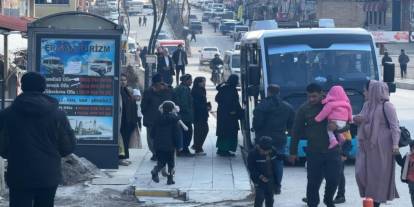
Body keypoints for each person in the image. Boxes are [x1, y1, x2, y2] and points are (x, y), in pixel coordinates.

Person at [0, 72, 76, 207]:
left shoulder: (7, 114)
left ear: (22, 87)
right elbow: (67, 147)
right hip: (48, 174)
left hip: (18, 174)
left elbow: (2, 146)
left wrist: (11, 154)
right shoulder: (58, 114)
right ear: (43, 87)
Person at [289, 83, 342, 207]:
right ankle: (312, 203)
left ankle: (328, 200)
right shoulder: (304, 109)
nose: (311, 99)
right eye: (309, 97)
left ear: (321, 94)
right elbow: (295, 132)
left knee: (334, 179)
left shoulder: (333, 105)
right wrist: (293, 152)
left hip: (333, 151)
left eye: (314, 96)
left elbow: (347, 125)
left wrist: (338, 126)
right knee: (313, 182)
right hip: (314, 152)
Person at [353, 80, 400, 207]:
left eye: (365, 90)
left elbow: (395, 127)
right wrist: (355, 119)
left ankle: (375, 203)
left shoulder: (387, 106)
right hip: (366, 145)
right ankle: (372, 200)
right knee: (361, 173)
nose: (363, 93)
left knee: (378, 176)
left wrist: (395, 144)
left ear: (373, 91)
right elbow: (362, 117)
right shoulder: (367, 105)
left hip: (382, 147)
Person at [252, 84, 295, 194]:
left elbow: (257, 123)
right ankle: (277, 186)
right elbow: (291, 125)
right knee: (278, 162)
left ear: (268, 92)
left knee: (260, 161)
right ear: (279, 92)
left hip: (263, 139)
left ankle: (262, 185)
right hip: (279, 138)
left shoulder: (262, 106)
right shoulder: (287, 106)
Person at [141, 74, 174, 161]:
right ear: (155, 84)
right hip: (151, 119)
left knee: (161, 137)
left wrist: (168, 88)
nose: (161, 85)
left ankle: (160, 153)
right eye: (160, 83)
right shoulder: (148, 92)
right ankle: (155, 153)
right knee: (151, 137)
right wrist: (146, 115)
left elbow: (171, 101)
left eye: (162, 83)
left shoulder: (167, 91)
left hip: (163, 119)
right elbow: (143, 106)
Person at [151, 101, 182, 185]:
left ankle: (155, 170)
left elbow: (152, 133)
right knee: (171, 163)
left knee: (161, 161)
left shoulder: (157, 119)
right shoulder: (174, 120)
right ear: (172, 109)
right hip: (170, 145)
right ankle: (170, 179)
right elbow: (177, 134)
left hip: (158, 145)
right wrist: (179, 145)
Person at [247, 136, 279, 207]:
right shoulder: (252, 154)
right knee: (260, 198)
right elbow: (251, 168)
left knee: (270, 198)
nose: (266, 153)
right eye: (264, 151)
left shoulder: (273, 151)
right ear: (258, 147)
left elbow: (276, 162)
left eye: (268, 151)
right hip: (258, 179)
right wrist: (260, 176)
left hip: (270, 178)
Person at [215, 74, 243, 157]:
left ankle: (221, 149)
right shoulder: (231, 89)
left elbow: (217, 99)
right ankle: (225, 150)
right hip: (229, 115)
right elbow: (233, 102)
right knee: (229, 132)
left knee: (223, 132)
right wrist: (235, 111)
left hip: (222, 114)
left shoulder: (224, 88)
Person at [120, 74, 139, 165]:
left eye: (124, 80)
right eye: (121, 80)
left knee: (126, 140)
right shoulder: (119, 92)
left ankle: (125, 157)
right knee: (122, 140)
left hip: (129, 120)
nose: (123, 82)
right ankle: (121, 158)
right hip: (123, 120)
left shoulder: (127, 91)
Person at [174, 74, 194, 156]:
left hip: (180, 115)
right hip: (185, 116)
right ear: (186, 80)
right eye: (190, 80)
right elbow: (184, 103)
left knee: (182, 133)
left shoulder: (178, 88)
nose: (191, 82)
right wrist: (189, 112)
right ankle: (184, 150)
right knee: (187, 133)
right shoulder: (184, 89)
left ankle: (181, 149)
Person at [191, 77, 210, 155]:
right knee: (201, 131)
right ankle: (197, 148)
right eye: (203, 82)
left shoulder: (202, 90)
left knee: (203, 130)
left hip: (203, 113)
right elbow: (196, 104)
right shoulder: (195, 91)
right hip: (198, 114)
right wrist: (205, 107)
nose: (204, 83)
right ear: (198, 83)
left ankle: (197, 146)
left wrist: (207, 105)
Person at [395, 140, 414, 206]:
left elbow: (400, 162)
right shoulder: (408, 157)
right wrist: (395, 150)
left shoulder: (408, 157)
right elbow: (400, 162)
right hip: (411, 182)